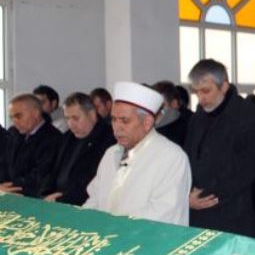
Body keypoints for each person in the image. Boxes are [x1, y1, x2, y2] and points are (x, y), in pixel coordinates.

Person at [84, 82, 191, 225]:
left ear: (147, 122)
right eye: (114, 119)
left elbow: (163, 214)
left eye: (125, 121)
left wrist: (113, 227)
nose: (117, 128)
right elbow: (95, 199)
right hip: (106, 234)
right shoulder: (111, 153)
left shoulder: (171, 157)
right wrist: (82, 221)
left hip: (145, 237)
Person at [182, 59, 255, 238]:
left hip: (233, 212)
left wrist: (204, 197)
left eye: (206, 91)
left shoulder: (249, 116)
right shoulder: (198, 117)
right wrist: (187, 194)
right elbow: (187, 159)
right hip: (197, 212)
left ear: (224, 86)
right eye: (196, 92)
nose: (201, 98)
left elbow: (245, 171)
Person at [43, 92, 115, 205]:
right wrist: (45, 194)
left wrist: (62, 199)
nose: (71, 124)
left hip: (82, 204)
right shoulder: (66, 138)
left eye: (76, 118)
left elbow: (94, 183)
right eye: (67, 118)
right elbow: (51, 170)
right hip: (56, 200)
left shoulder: (108, 139)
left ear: (92, 115)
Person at [0, 94, 63, 197]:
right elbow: (4, 163)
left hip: (33, 196)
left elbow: (41, 175)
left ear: (36, 113)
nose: (14, 121)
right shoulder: (14, 133)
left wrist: (9, 187)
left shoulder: (53, 139)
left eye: (18, 116)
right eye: (12, 117)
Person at [152, 80, 190, 146]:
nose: (155, 110)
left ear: (174, 104)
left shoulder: (188, 129)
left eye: (160, 106)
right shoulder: (150, 128)